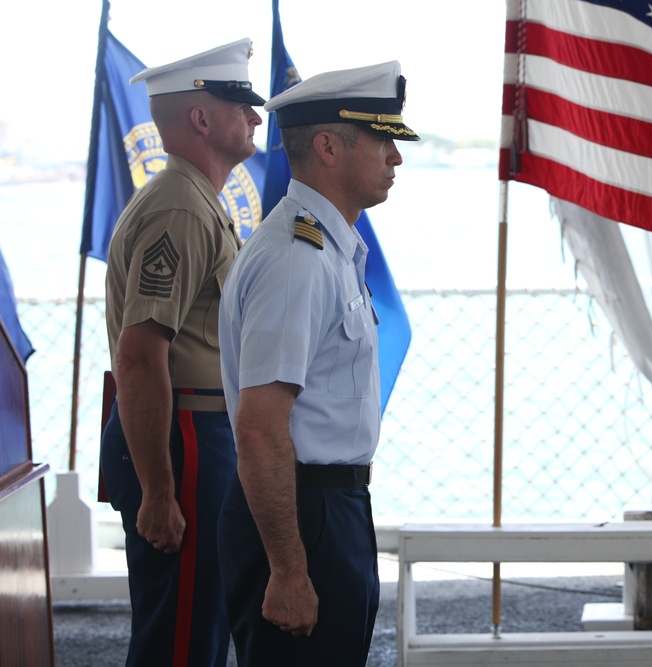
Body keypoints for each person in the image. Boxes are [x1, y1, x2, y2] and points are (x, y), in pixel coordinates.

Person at [217, 60, 419, 665]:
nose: (396, 158)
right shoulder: (297, 258)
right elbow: (259, 425)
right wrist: (288, 568)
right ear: (328, 146)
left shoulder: (328, 248)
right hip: (300, 511)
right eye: (383, 140)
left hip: (328, 507)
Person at [100, 38, 265, 667]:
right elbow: (141, 357)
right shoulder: (182, 209)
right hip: (184, 437)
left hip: (193, 431)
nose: (255, 117)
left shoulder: (196, 200)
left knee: (197, 625)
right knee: (183, 638)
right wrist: (159, 493)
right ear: (201, 117)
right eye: (241, 104)